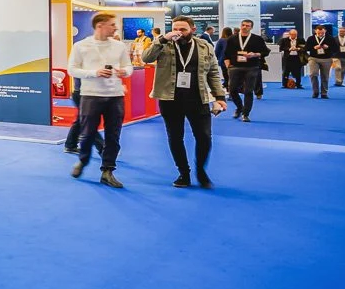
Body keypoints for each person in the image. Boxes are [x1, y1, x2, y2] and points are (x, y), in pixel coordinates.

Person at [143, 17, 227, 189]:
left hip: (198, 98)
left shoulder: (205, 46)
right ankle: (184, 172)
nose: (179, 33)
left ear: (193, 29)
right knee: (175, 137)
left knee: (204, 137)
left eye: (183, 29)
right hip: (170, 99)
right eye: (176, 29)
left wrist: (219, 97)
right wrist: (162, 39)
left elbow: (213, 73)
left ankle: (200, 170)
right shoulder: (164, 44)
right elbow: (146, 58)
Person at [67, 12, 132, 188]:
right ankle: (83, 160)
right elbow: (72, 69)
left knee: (114, 135)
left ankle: (107, 171)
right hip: (91, 95)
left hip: (115, 96)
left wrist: (124, 72)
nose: (116, 28)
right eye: (112, 24)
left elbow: (129, 66)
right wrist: (94, 73)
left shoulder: (119, 46)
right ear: (100, 25)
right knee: (88, 133)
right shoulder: (81, 46)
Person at [221, 20, 269, 122]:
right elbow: (226, 53)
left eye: (247, 26)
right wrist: (228, 65)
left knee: (248, 91)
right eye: (243, 25)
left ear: (251, 27)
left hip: (252, 67)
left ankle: (245, 114)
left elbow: (265, 52)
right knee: (232, 90)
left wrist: (255, 54)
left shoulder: (257, 39)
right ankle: (239, 107)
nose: (244, 27)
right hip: (235, 67)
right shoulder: (232, 39)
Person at [304, 24, 336, 99]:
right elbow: (306, 48)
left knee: (325, 76)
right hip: (313, 58)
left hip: (327, 59)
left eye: (322, 33)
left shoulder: (330, 38)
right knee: (313, 74)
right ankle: (315, 92)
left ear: (325, 31)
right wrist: (313, 47)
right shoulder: (311, 38)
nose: (320, 34)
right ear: (315, 31)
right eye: (319, 33)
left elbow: (335, 49)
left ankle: (324, 93)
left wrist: (328, 47)